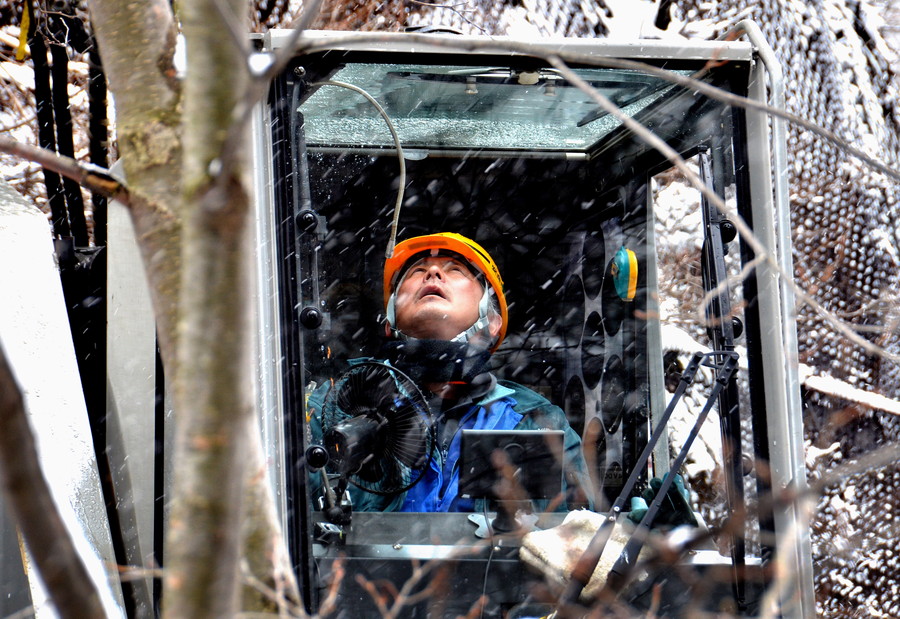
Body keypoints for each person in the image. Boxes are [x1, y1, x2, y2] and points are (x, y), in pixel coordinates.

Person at [307, 232, 593, 513]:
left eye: (455, 270)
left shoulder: (536, 421)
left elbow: (571, 543)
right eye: (416, 271)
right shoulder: (338, 402)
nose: (432, 271)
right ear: (389, 321)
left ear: (491, 322)